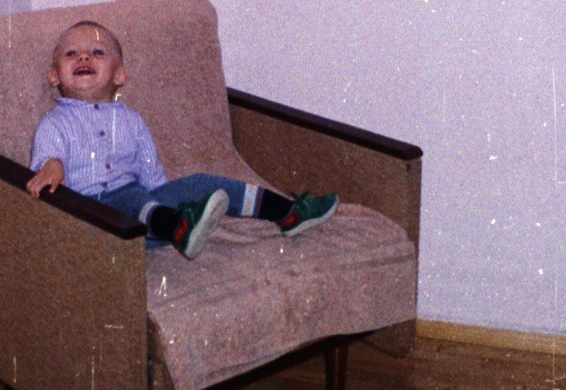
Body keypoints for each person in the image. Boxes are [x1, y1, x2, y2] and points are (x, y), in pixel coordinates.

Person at [27, 21, 338, 259]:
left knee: (203, 183)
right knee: (134, 200)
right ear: (55, 75)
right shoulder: (56, 122)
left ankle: (286, 212)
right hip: (93, 214)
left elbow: (151, 173)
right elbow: (48, 156)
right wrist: (52, 166)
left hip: (139, 215)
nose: (84, 56)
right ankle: (176, 225)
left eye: (97, 52)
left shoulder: (132, 121)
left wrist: (165, 198)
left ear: (119, 74)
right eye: (71, 54)